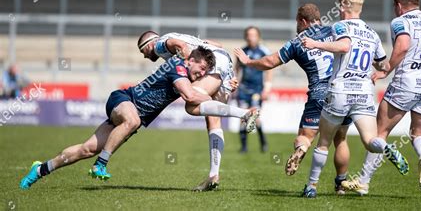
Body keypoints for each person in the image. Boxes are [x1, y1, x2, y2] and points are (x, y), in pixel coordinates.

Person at [19, 46, 259, 190]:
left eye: (205, 72)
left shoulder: (187, 73)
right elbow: (189, 95)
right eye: (202, 69)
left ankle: (40, 169)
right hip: (123, 101)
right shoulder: (177, 66)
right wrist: (223, 95)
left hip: (130, 116)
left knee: (86, 149)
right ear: (192, 60)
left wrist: (226, 86)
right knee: (132, 121)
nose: (202, 74)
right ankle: (101, 165)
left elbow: (199, 96)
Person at [341, 0, 421, 195]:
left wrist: (386, 70)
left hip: (406, 83)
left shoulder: (401, 21)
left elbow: (403, 46)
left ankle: (363, 182)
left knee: (379, 132)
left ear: (399, 6)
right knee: (418, 134)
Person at [234, 3, 352, 195]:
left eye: (297, 22)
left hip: (319, 91)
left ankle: (302, 152)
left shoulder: (297, 42)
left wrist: (248, 62)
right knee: (340, 139)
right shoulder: (335, 31)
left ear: (303, 21)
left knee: (305, 137)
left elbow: (270, 62)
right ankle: (340, 185)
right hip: (342, 89)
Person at [300, 0, 409, 197]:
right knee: (370, 140)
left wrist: (315, 44)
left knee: (323, 142)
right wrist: (382, 71)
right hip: (365, 92)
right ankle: (385, 147)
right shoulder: (372, 32)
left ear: (343, 7)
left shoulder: (340, 26)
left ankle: (311, 187)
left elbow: (344, 46)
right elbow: (383, 63)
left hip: (341, 89)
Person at [138, 31, 252, 191]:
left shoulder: (158, 45)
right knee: (213, 119)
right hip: (221, 60)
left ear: (148, 44)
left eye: (142, 51)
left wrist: (190, 68)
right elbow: (217, 45)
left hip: (211, 62)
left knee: (191, 103)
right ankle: (213, 176)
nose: (144, 56)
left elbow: (181, 46)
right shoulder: (184, 38)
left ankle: (244, 113)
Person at [235, 26, 272, 153]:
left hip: (257, 90)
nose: (251, 37)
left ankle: (263, 143)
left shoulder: (263, 51)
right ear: (246, 37)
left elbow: (269, 71)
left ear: (258, 36)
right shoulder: (242, 52)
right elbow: (237, 70)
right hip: (243, 90)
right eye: (249, 35)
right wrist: (235, 85)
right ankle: (243, 147)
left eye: (254, 35)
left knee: (255, 117)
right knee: (243, 117)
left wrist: (267, 88)